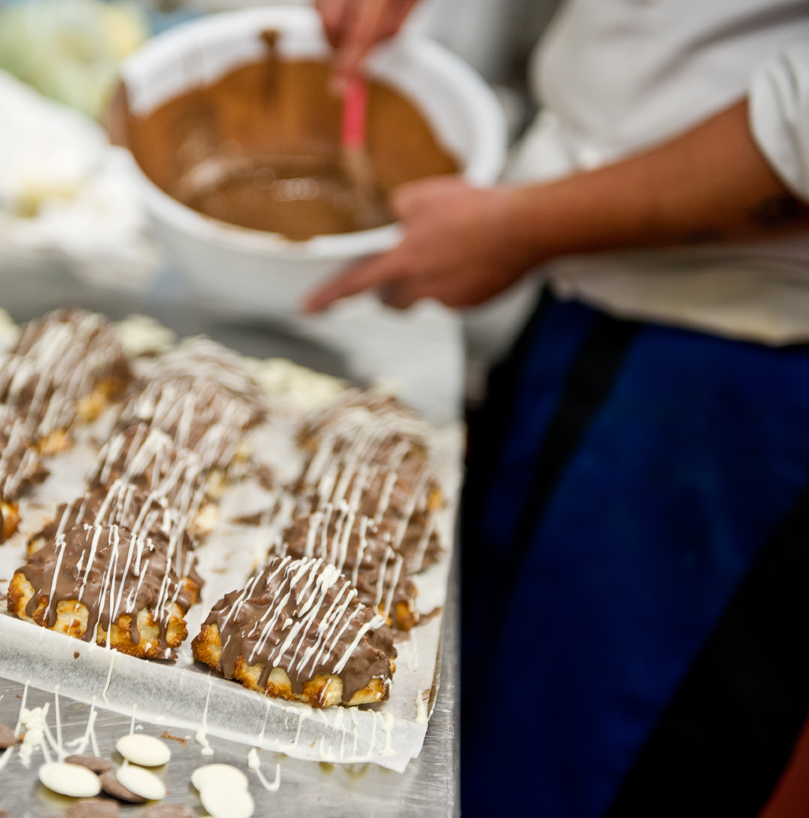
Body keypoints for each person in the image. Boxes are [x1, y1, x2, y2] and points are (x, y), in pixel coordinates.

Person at [308, 1, 809, 816]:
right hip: (584, 290)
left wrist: (516, 226)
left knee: (565, 769)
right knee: (460, 727)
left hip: (738, 379)